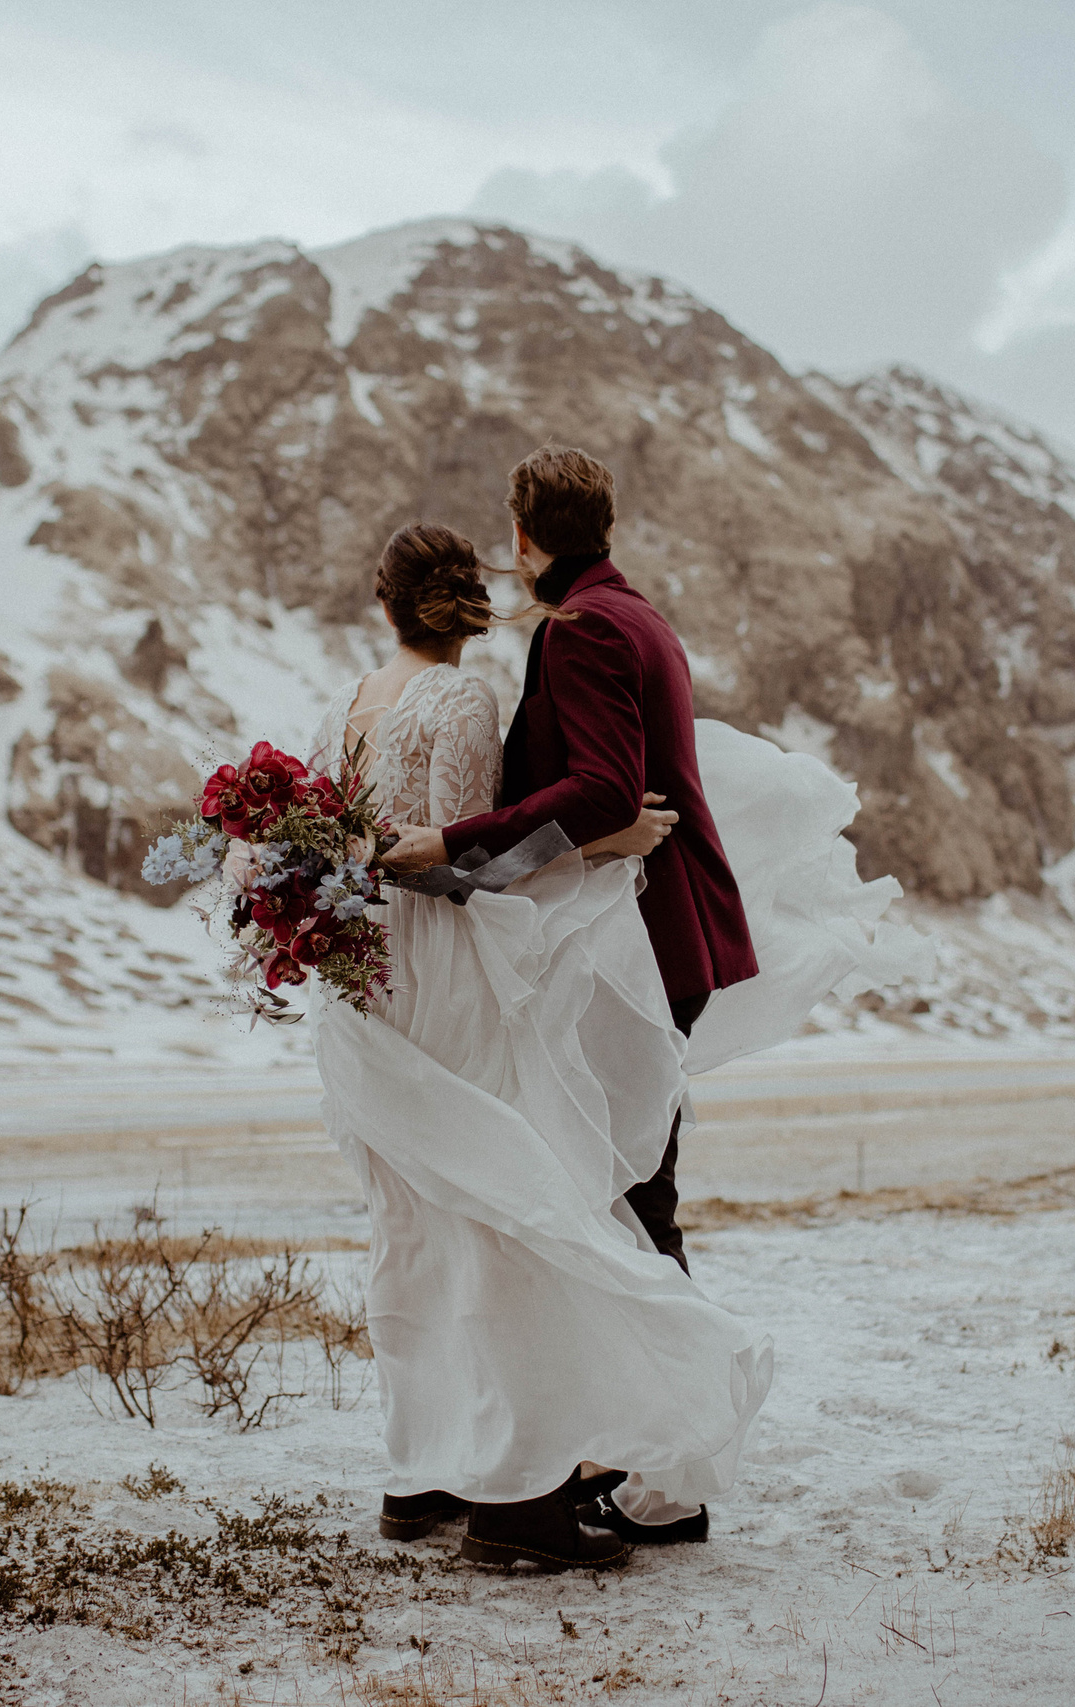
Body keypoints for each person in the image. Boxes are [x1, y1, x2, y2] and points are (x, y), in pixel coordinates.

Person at [309, 520, 772, 1572]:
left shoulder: (349, 703)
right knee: (507, 1215)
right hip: (443, 974)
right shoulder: (461, 698)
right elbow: (465, 864)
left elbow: (364, 851)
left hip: (371, 983)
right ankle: (515, 1496)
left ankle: (420, 1470)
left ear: (383, 603)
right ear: (465, 603)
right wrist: (608, 837)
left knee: (419, 1219)